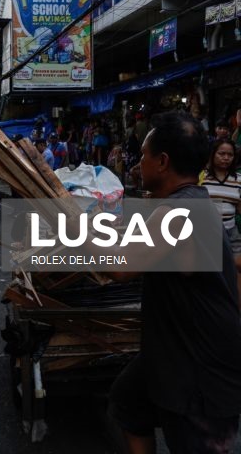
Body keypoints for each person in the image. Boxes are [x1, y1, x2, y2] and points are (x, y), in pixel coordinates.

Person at [105, 114, 241, 454]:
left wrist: (71, 236)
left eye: (144, 156)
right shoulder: (193, 200)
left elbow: (120, 267)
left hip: (200, 368)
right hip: (171, 351)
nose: (138, 164)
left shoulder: (179, 212)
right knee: (128, 401)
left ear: (163, 162)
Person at [202, 139, 241, 254]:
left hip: (231, 232)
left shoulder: (238, 180)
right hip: (206, 232)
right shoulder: (201, 177)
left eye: (230, 155)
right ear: (213, 154)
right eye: (221, 153)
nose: (226, 158)